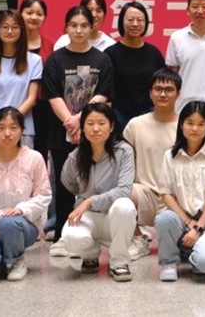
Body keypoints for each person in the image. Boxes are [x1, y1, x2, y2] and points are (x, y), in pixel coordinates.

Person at [42, 6, 114, 255]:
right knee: (63, 185)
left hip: (93, 133)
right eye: (74, 25)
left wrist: (80, 120)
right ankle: (61, 236)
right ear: (66, 28)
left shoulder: (102, 59)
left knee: (93, 184)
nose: (79, 30)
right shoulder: (55, 59)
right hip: (61, 132)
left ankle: (94, 235)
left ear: (92, 27)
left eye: (84, 25)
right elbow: (52, 94)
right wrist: (69, 122)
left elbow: (104, 94)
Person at [0, 107, 51, 281]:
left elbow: (43, 195)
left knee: (9, 222)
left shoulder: (34, 158)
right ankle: (0, 259)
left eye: (13, 128)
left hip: (24, 224)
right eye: (1, 128)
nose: (7, 133)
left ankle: (16, 260)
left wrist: (21, 209)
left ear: (22, 131)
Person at [59, 103, 136, 282]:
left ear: (111, 126)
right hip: (88, 217)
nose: (95, 129)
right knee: (70, 238)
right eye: (90, 123)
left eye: (101, 123)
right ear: (83, 127)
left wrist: (89, 201)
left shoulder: (124, 151)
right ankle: (90, 254)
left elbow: (124, 190)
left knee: (125, 206)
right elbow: (68, 183)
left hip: (113, 216)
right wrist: (84, 202)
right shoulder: (75, 157)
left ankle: (119, 261)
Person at [154, 101, 205, 281]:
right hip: (179, 217)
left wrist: (199, 227)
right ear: (181, 125)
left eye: (201, 124)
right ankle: (169, 262)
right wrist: (189, 222)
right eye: (190, 123)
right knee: (164, 219)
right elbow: (166, 194)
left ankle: (192, 252)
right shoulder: (169, 156)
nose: (195, 128)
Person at [122, 69, 180, 262]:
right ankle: (138, 238)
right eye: (158, 89)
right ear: (150, 93)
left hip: (177, 198)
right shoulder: (135, 125)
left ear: (178, 94)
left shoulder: (187, 125)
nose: (163, 94)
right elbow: (123, 163)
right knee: (121, 192)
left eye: (169, 90)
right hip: (145, 194)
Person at [0, 10, 42, 156]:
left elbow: (31, 99)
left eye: (15, 27)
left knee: (23, 170)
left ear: (22, 30)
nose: (9, 31)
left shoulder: (34, 61)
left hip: (21, 129)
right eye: (5, 27)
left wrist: (11, 124)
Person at [105, 0, 165, 133]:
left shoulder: (154, 53)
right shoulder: (110, 54)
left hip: (149, 115)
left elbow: (162, 83)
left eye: (140, 20)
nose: (135, 24)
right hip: (119, 116)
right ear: (121, 21)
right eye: (130, 20)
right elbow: (107, 90)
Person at [19, 0, 55, 168]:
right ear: (20, 14)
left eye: (39, 14)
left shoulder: (51, 45)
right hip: (17, 102)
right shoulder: (11, 43)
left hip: (42, 106)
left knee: (39, 151)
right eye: (29, 12)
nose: (34, 17)